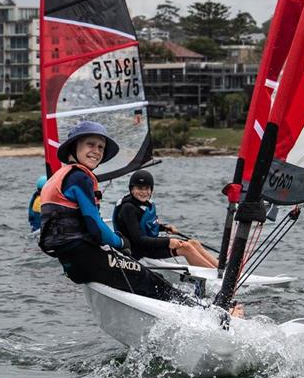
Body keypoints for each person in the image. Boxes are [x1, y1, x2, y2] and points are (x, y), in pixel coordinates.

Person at [38, 120, 201, 307]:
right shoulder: (79, 177)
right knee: (150, 279)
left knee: (140, 278)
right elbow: (95, 227)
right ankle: (204, 311)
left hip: (71, 263)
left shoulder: (58, 177)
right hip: (84, 257)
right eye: (90, 144)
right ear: (74, 147)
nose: (97, 151)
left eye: (101, 147)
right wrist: (120, 242)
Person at [112, 169, 219, 268]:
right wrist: (168, 242)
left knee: (194, 243)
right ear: (132, 189)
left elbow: (145, 225)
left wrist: (164, 228)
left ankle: (220, 269)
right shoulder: (128, 208)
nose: (144, 192)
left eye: (147, 188)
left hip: (148, 245)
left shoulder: (143, 204)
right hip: (138, 250)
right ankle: (218, 279)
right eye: (140, 188)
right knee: (185, 248)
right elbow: (138, 240)